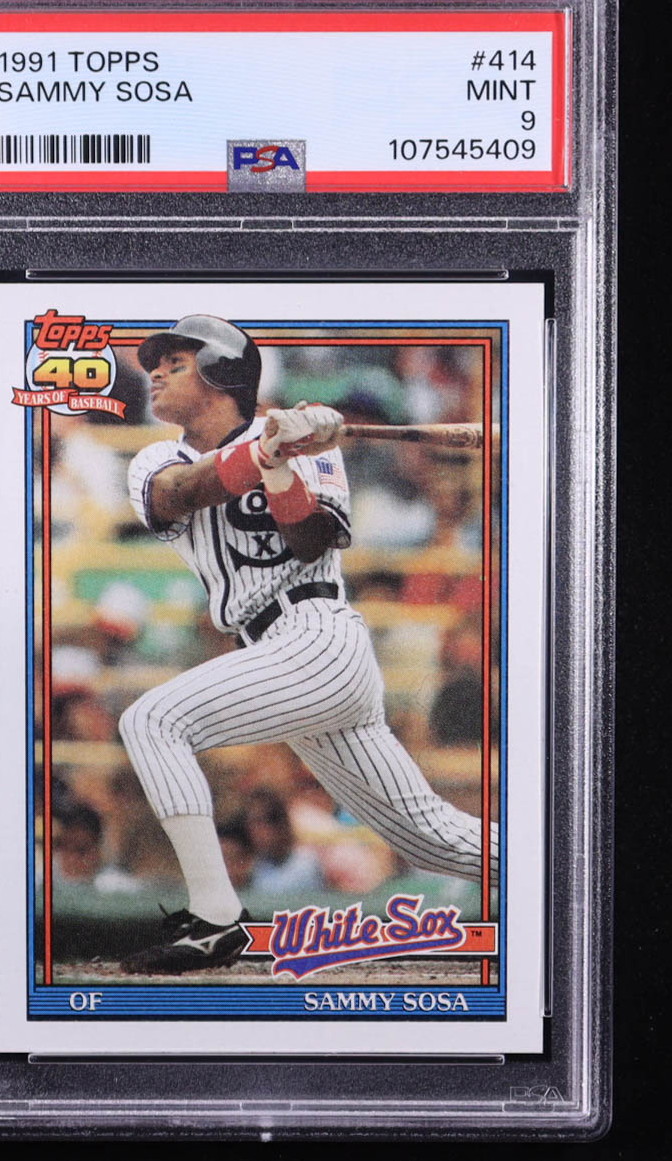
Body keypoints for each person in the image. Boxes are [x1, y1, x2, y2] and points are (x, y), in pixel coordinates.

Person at [117, 315, 498, 974]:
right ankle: (569, 865)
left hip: (318, 638)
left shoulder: (309, 443)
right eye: (157, 363)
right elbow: (181, 492)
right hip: (272, 654)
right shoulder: (157, 458)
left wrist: (284, 466)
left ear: (222, 374)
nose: (155, 373)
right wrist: (263, 453)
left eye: (176, 363)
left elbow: (313, 539)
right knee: (431, 839)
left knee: (151, 721)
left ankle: (215, 920)